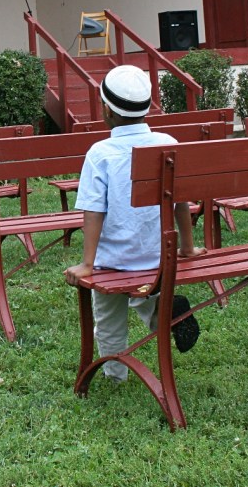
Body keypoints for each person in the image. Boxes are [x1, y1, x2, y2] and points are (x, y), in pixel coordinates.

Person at [64, 65, 205, 383]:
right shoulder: (167, 142)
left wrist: (88, 264)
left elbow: (93, 212)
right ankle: (160, 313)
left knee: (110, 318)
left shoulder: (100, 153)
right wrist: (186, 246)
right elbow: (181, 201)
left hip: (114, 263)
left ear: (105, 111)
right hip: (160, 259)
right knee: (148, 288)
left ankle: (115, 373)